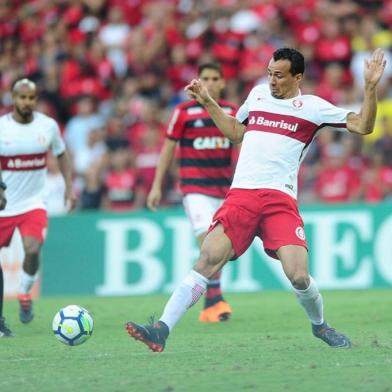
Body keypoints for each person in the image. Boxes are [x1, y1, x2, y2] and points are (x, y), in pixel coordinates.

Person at [125, 48, 386, 352]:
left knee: (299, 276)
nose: (272, 80)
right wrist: (209, 102)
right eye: (269, 73)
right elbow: (236, 132)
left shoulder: (313, 108)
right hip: (242, 195)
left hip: (280, 200)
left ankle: (321, 326)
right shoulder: (258, 95)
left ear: (297, 77)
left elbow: (364, 126)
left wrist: (369, 88)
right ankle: (161, 329)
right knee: (207, 259)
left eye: (279, 75)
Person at [146, 63, 237, 322]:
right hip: (194, 188)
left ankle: (212, 303)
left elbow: (241, 146)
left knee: (222, 250)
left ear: (222, 83)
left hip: (224, 190)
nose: (209, 82)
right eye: (204, 78)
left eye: (214, 78)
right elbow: (167, 148)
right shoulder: (183, 111)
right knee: (205, 242)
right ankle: (215, 302)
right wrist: (156, 185)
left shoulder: (231, 112)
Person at [0, 78, 76, 337]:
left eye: (31, 97)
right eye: (22, 97)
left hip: (33, 202)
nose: (26, 102)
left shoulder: (48, 126)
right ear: (12, 98)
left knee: (32, 249)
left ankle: (24, 291)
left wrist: (69, 186)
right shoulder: (2, 128)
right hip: (4, 205)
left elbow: (61, 154)